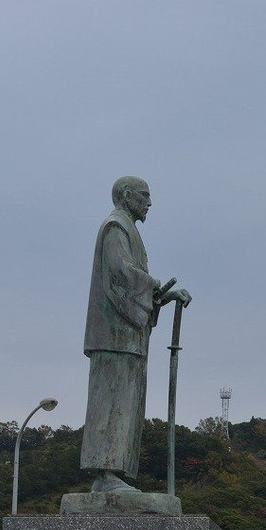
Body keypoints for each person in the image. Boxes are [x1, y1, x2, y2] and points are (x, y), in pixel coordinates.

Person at [80, 177, 191, 493]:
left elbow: (131, 280)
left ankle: (113, 473)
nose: (149, 203)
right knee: (112, 401)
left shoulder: (128, 229)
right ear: (127, 196)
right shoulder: (115, 227)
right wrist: (154, 288)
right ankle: (105, 474)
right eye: (145, 196)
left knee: (126, 402)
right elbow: (120, 274)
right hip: (113, 337)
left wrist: (160, 297)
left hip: (128, 336)